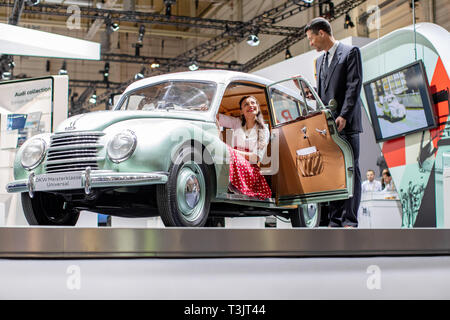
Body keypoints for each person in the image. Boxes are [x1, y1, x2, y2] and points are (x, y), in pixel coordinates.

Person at [305, 17, 363, 228]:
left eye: (311, 39)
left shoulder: (350, 53)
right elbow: (323, 93)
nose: (310, 43)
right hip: (328, 126)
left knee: (350, 169)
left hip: (346, 124)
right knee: (333, 172)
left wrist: (345, 115)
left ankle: (349, 220)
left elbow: (353, 87)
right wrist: (311, 95)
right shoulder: (319, 62)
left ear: (322, 33)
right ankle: (335, 219)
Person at [217, 95, 271, 200]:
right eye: (246, 104)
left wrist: (233, 152)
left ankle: (227, 182)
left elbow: (256, 158)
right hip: (234, 162)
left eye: (253, 103)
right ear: (242, 111)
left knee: (226, 150)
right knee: (220, 150)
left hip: (250, 171)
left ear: (257, 107)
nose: (250, 105)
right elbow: (217, 117)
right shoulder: (237, 122)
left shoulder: (264, 130)